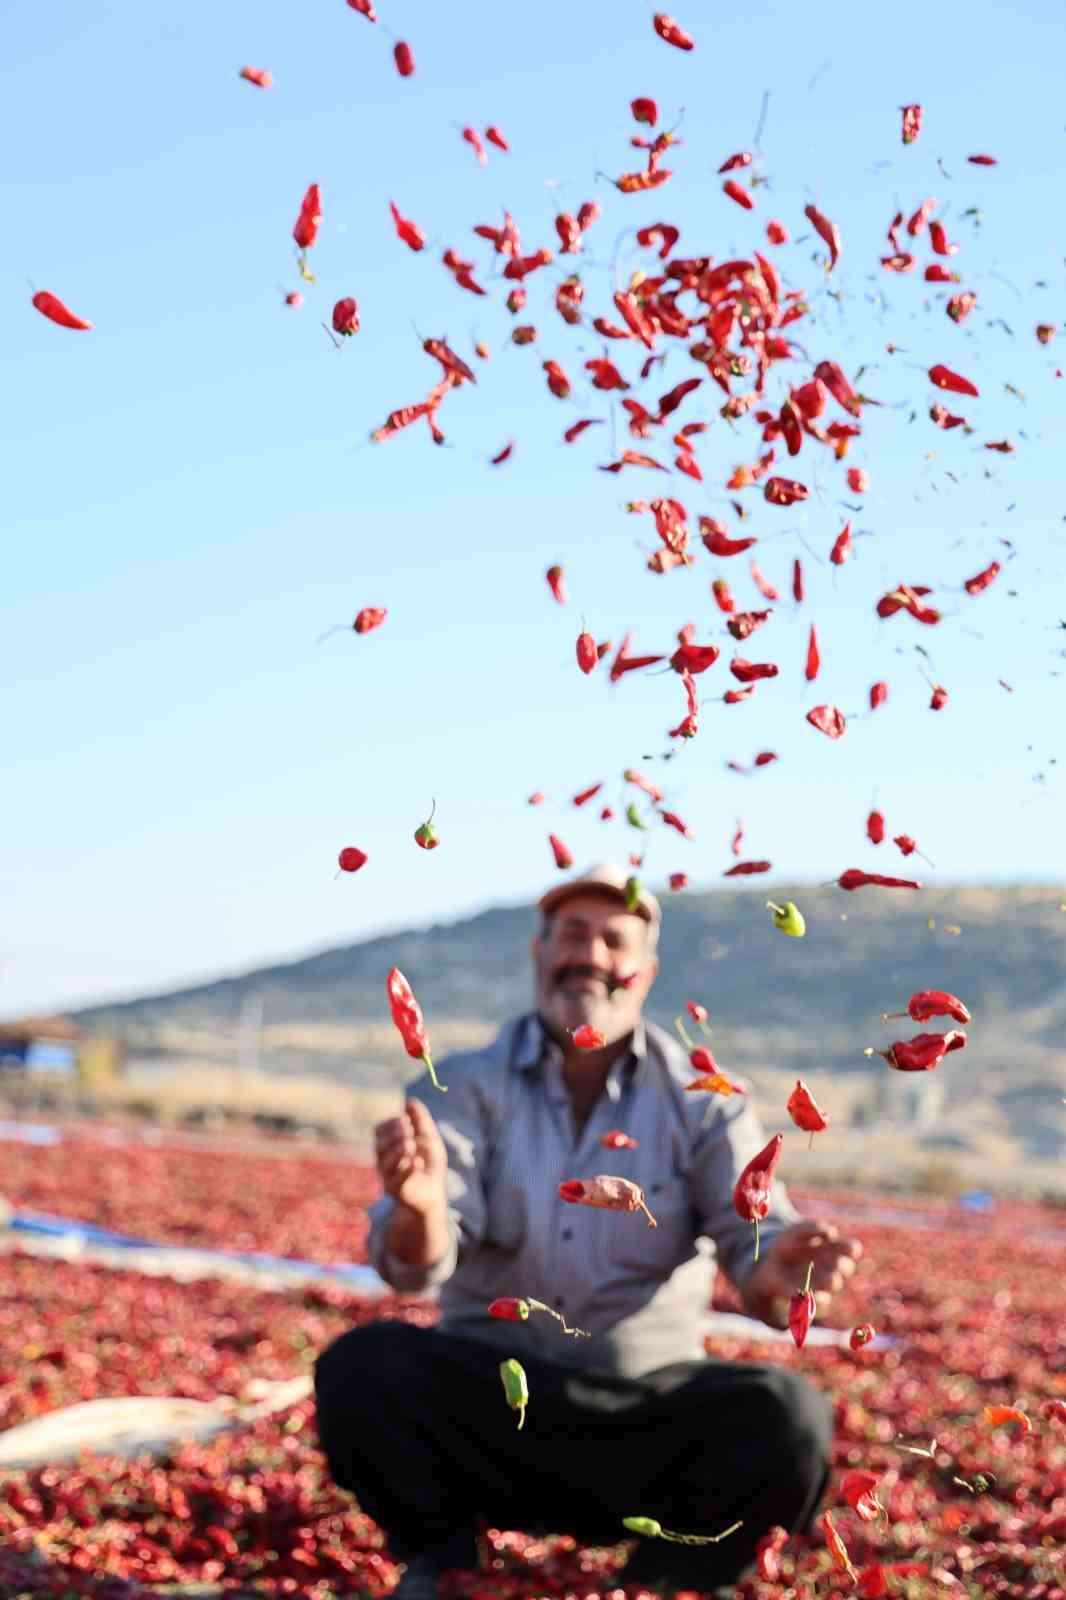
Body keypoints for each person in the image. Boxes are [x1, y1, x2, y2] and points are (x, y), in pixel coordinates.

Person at [314, 865, 863, 1599]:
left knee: (788, 1419)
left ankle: (671, 1575)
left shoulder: (707, 1104)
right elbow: (416, 1269)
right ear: (539, 952)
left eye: (615, 940)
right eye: (573, 935)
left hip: (645, 1422)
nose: (592, 956)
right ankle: (440, 1555)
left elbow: (751, 1250)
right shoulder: (464, 1086)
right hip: (491, 1413)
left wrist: (782, 1274)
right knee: (364, 1367)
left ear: (648, 971)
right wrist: (416, 1209)